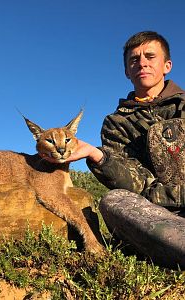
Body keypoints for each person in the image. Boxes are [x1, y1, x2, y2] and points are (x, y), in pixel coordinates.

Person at [43, 31, 185, 268]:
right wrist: (97, 155)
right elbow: (138, 186)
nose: (142, 63)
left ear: (167, 65)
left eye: (150, 56)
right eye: (134, 59)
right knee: (113, 201)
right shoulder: (116, 124)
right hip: (162, 214)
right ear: (127, 71)